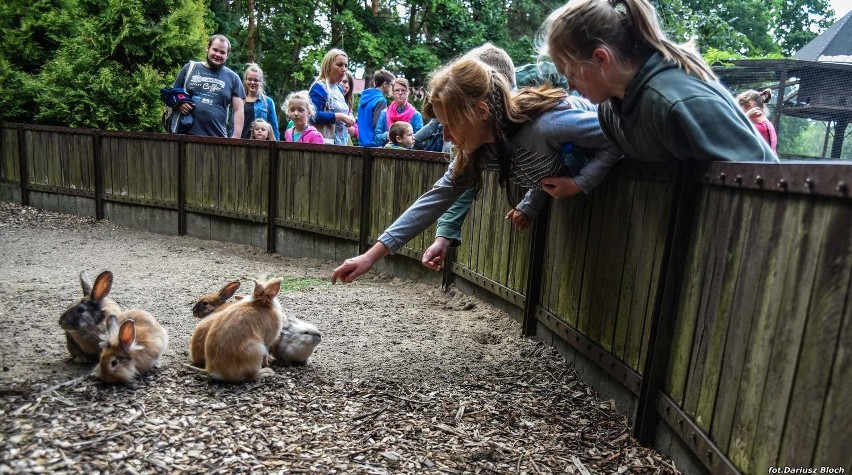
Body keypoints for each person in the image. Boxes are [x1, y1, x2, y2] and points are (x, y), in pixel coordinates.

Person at [331, 57, 622, 283]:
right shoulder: (481, 148)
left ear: (481, 112)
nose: (445, 136)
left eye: (450, 124)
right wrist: (371, 256)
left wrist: (581, 183)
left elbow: (620, 135)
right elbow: (435, 198)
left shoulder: (549, 126)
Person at [540, 0, 778, 163]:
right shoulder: (610, 111)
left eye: (570, 74)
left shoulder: (675, 101)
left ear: (602, 59)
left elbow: (758, 180)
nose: (569, 86)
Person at [172, 34, 245, 138]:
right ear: (208, 48)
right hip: (184, 135)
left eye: (222, 52)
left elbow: (238, 109)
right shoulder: (189, 68)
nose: (218, 54)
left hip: (217, 138)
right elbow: (172, 94)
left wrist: (236, 137)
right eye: (215, 50)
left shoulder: (233, 78)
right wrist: (179, 104)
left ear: (227, 55)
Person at [309, 49, 356, 145]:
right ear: (328, 66)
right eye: (339, 65)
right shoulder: (319, 87)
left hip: (342, 144)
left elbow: (344, 111)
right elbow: (313, 115)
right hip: (325, 144)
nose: (344, 69)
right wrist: (339, 116)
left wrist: (349, 117)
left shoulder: (338, 89)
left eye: (346, 66)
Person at [230, 63, 281, 140]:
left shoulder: (268, 102)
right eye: (250, 79)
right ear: (245, 80)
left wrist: (275, 147)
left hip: (260, 145)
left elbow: (274, 128)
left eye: (256, 80)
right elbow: (232, 126)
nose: (252, 83)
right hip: (241, 143)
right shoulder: (239, 101)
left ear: (261, 82)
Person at [373, 78, 423, 147]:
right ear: (392, 93)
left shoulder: (416, 115)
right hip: (387, 155)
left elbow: (421, 141)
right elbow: (376, 138)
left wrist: (407, 139)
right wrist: (389, 135)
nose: (400, 93)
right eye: (397, 90)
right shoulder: (384, 114)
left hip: (409, 155)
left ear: (408, 93)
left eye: (403, 90)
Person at [357, 70, 395, 147]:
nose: (393, 88)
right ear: (385, 84)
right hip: (374, 144)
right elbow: (378, 125)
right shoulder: (380, 100)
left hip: (362, 143)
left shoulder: (364, 98)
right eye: (392, 85)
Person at [341, 71, 359, 144]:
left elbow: (356, 131)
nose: (347, 86)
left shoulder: (347, 106)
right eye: (344, 82)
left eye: (349, 84)